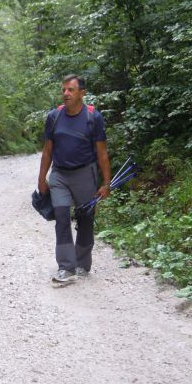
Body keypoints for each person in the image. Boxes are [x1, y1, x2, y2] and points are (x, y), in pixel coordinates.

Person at [37, 74, 112, 286]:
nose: (66, 94)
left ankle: (82, 262)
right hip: (59, 174)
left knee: (85, 219)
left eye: (70, 90)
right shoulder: (54, 116)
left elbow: (102, 154)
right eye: (63, 90)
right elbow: (47, 150)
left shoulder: (93, 118)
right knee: (61, 216)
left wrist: (106, 183)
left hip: (85, 174)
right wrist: (42, 178)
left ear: (82, 93)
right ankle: (66, 267)